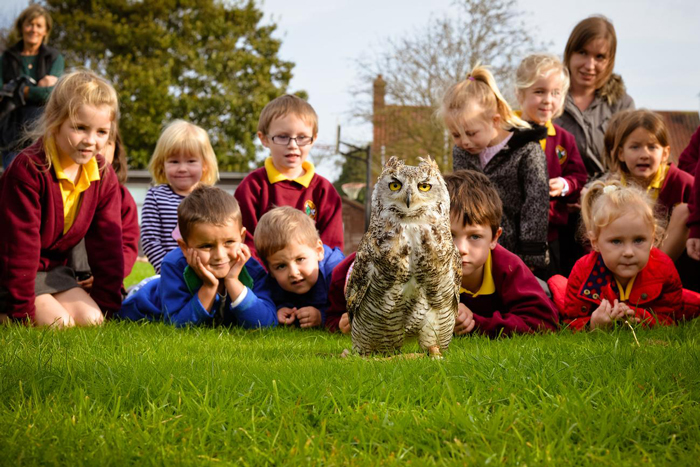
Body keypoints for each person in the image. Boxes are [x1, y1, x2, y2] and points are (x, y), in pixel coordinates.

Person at [325, 171, 559, 337]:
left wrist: (478, 324)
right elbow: (347, 269)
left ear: (495, 238)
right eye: (447, 235)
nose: (460, 248)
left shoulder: (507, 266)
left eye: (475, 237)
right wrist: (341, 321)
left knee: (551, 291)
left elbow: (544, 321)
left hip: (536, 288)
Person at [0, 70, 123, 327]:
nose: (90, 141)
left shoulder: (102, 173)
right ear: (55, 122)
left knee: (93, 320)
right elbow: (18, 248)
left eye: (102, 132)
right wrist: (20, 315)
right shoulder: (30, 169)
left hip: (52, 272)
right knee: (60, 324)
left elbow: (107, 244)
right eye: (80, 128)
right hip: (9, 271)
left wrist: (109, 306)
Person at [117, 186, 277, 328]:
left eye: (229, 242)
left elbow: (266, 322)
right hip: (146, 298)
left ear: (242, 237)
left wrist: (233, 281)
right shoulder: (173, 265)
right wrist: (208, 287)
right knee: (139, 293)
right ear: (185, 248)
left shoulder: (251, 268)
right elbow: (177, 324)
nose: (220, 256)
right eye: (206, 246)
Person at [440, 65, 549, 272]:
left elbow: (536, 204)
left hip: (517, 254)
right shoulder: (462, 152)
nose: (464, 142)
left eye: (471, 133)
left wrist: (531, 256)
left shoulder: (527, 150)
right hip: (474, 253)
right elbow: (463, 201)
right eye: (455, 135)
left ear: (495, 121)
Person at [555, 181, 682, 331]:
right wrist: (592, 324)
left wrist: (642, 317)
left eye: (639, 240)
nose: (628, 252)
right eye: (616, 241)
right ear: (595, 242)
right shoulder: (583, 271)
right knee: (556, 285)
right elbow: (570, 321)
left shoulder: (663, 268)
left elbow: (673, 318)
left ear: (652, 238)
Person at [234, 95, 344, 259]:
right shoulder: (252, 187)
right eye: (283, 137)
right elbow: (245, 243)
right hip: (263, 281)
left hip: (311, 279)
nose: (293, 145)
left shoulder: (324, 191)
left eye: (301, 137)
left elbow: (332, 250)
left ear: (313, 139)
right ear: (264, 139)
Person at [515, 54, 588, 275]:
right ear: (520, 94)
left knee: (551, 281)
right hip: (513, 229)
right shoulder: (507, 134)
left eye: (556, 93)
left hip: (551, 232)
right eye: (539, 92)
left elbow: (578, 175)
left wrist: (565, 185)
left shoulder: (564, 139)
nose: (548, 100)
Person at [606, 110, 694, 269]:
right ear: (621, 153)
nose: (644, 154)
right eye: (635, 147)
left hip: (679, 272)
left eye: (652, 147)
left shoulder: (684, 183)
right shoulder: (611, 188)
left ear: (665, 153)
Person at [555, 15, 635, 179]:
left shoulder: (622, 105)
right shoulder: (548, 99)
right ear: (569, 53)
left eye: (599, 57)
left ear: (610, 61)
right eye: (583, 53)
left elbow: (628, 165)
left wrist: (595, 192)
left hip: (606, 198)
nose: (589, 65)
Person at [141, 120, 219, 273]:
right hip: (169, 272)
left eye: (191, 161)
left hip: (207, 270)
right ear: (162, 164)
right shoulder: (156, 196)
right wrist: (167, 270)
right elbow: (150, 240)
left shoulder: (212, 198)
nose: (182, 168)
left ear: (205, 165)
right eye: (174, 161)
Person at [69, 124, 140, 291]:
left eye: (109, 142)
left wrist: (110, 275)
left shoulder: (123, 197)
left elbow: (128, 245)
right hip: (63, 276)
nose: (99, 146)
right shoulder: (67, 189)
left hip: (105, 279)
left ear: (116, 150)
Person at [254, 206, 345, 328]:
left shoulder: (337, 274)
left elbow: (346, 313)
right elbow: (271, 301)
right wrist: (279, 310)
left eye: (300, 259)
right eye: (281, 266)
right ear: (270, 270)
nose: (293, 272)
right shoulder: (271, 282)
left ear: (318, 251)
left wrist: (321, 316)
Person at [0, 4, 64, 168]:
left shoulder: (53, 58)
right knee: (13, 183)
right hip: (11, 134)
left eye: (38, 25)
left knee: (42, 183)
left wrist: (21, 89)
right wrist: (38, 88)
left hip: (42, 134)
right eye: (29, 24)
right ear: (21, 27)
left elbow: (52, 94)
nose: (33, 29)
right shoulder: (7, 57)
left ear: (45, 31)